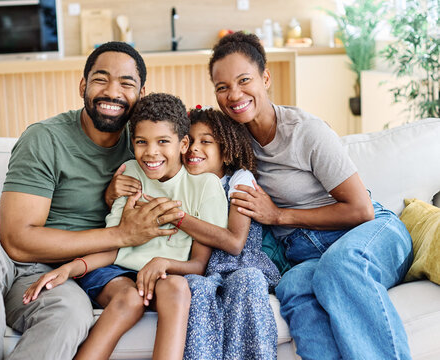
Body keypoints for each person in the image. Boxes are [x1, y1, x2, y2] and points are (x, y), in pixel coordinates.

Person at [0, 42, 185, 360]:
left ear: (142, 93)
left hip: (54, 272)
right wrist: (121, 235)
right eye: (100, 79)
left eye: (126, 83)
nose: (112, 92)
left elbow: (200, 154)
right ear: (83, 85)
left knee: (70, 312)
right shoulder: (45, 138)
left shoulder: (146, 146)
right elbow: (17, 241)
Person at [207, 32, 414, 360]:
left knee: (339, 267)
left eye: (244, 80)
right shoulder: (231, 141)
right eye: (222, 87)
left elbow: (361, 211)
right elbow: (176, 142)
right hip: (306, 254)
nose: (234, 94)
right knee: (293, 286)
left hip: (369, 234)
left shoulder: (305, 130)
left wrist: (278, 216)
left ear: (265, 78)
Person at [23, 93, 229, 360]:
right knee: (129, 300)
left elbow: (199, 265)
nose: (151, 152)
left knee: (177, 288)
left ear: (183, 144)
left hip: (167, 275)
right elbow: (116, 244)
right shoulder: (131, 173)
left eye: (163, 141)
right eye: (141, 142)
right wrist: (70, 267)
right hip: (114, 271)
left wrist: (161, 262)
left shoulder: (205, 186)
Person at [179, 108, 281, 360]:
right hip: (202, 271)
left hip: (239, 265)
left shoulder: (239, 179)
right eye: (189, 141)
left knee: (249, 280)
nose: (194, 148)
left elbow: (236, 242)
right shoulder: (181, 183)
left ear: (225, 151)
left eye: (206, 141)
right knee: (196, 288)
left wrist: (178, 218)